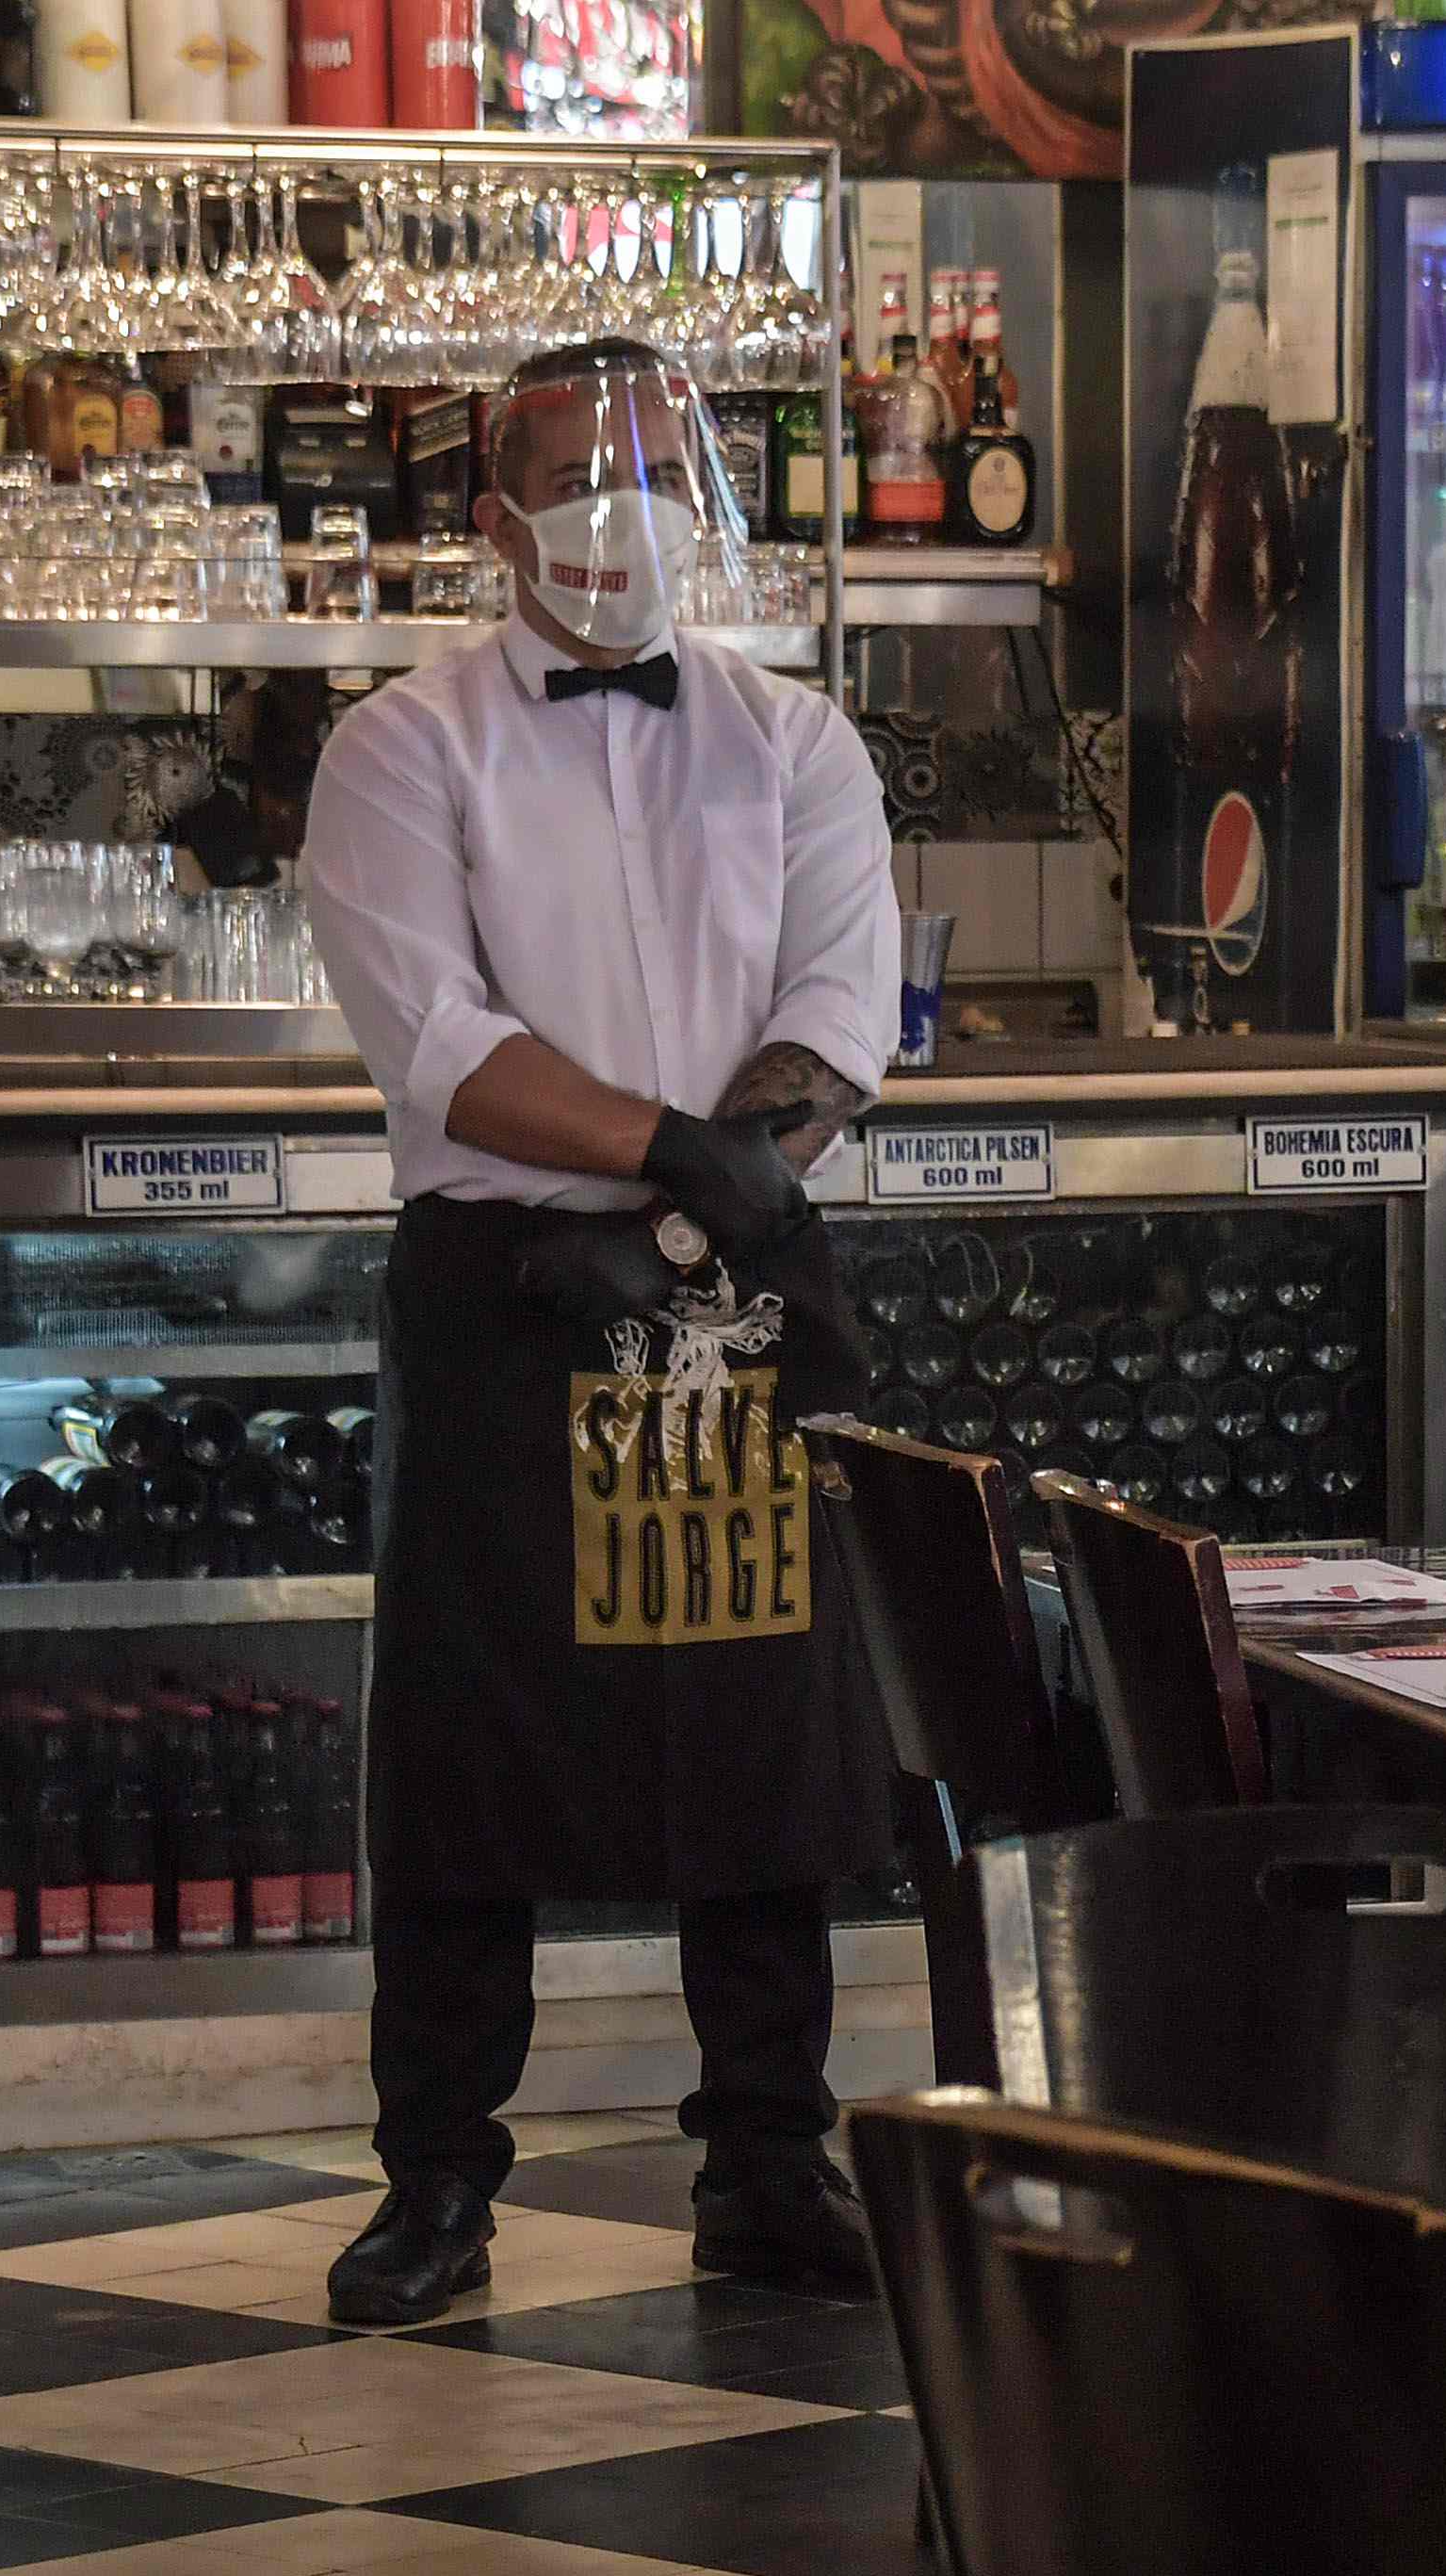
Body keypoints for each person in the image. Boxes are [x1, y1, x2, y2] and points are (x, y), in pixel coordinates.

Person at [298, 337, 901, 2324]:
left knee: (764, 1738)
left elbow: (839, 1013)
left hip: (729, 1269)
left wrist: (688, 1207)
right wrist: (665, 1167)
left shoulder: (798, 740)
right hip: (511, 1291)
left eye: (658, 463)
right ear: (494, 522)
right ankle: (439, 2179)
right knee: (470, 1756)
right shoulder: (404, 746)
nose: (623, 505)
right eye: (575, 473)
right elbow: (442, 1043)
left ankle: (767, 2154)